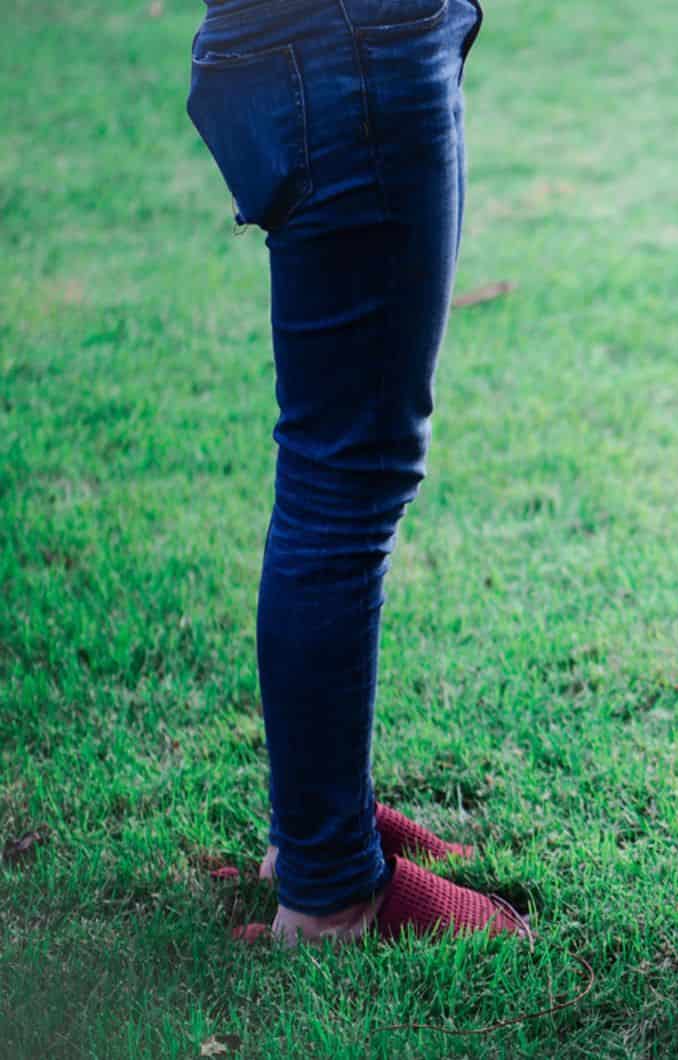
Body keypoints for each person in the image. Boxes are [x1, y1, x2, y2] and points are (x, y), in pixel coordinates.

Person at [187, 0, 525, 944]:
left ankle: (317, 828)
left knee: (339, 468)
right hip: (347, 53)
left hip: (331, 48)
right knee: (347, 478)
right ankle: (330, 890)